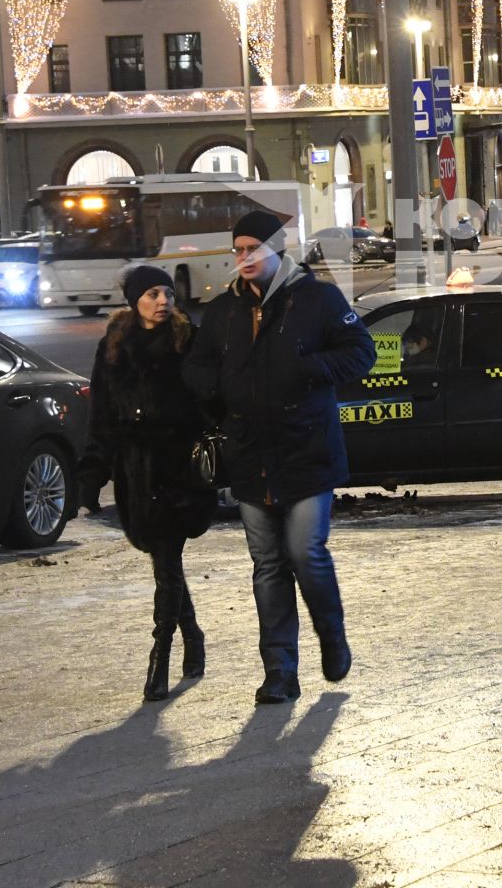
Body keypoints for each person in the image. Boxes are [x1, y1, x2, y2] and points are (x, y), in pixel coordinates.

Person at [184, 208, 376, 705]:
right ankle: (280, 673)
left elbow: (362, 353)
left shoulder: (316, 298)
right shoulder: (224, 310)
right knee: (267, 565)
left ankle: (332, 640)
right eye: (238, 250)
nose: (243, 258)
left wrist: (307, 367)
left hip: (306, 452)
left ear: (276, 249)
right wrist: (218, 391)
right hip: (250, 456)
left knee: (305, 554)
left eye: (252, 249)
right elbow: (199, 367)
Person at [79, 266, 215, 702]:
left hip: (178, 468)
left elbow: (210, 401)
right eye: (153, 293)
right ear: (134, 300)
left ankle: (161, 654)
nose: (163, 300)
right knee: (164, 559)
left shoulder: (187, 341)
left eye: (168, 292)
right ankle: (192, 633)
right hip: (136, 470)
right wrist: (93, 474)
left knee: (167, 558)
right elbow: (101, 416)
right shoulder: (115, 347)